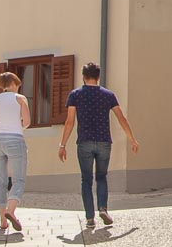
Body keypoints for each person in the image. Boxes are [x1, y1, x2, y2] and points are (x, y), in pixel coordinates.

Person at [57, 62, 138, 230]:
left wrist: (62, 144)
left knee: (86, 180)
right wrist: (132, 138)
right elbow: (121, 118)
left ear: (83, 76)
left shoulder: (75, 95)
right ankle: (102, 208)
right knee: (102, 177)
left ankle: (89, 218)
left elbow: (69, 122)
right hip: (104, 141)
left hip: (84, 142)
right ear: (98, 76)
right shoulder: (108, 95)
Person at [0, 71, 28, 235]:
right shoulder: (20, 99)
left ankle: (2, 221)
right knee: (18, 179)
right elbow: (27, 122)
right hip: (15, 139)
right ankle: (11, 210)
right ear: (15, 84)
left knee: (0, 181)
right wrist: (16, 129)